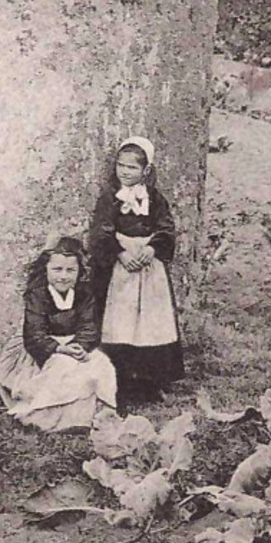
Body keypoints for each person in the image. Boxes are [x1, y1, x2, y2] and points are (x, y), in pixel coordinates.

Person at [89, 137, 184, 407]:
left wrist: (152, 249)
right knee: (119, 321)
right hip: (121, 267)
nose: (125, 171)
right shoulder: (110, 198)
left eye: (132, 167)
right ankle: (118, 380)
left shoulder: (155, 199)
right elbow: (101, 229)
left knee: (150, 323)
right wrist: (120, 253)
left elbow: (165, 228)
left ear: (146, 171)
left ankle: (150, 382)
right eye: (121, 165)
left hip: (148, 268)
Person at [0, 236, 117, 432]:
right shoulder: (37, 296)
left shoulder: (84, 294)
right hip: (41, 348)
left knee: (102, 363)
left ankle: (91, 415)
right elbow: (34, 334)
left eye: (70, 270)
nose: (63, 276)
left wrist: (80, 347)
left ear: (79, 272)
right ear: (46, 269)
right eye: (57, 269)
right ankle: (52, 418)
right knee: (64, 366)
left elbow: (89, 327)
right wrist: (60, 349)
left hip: (74, 345)